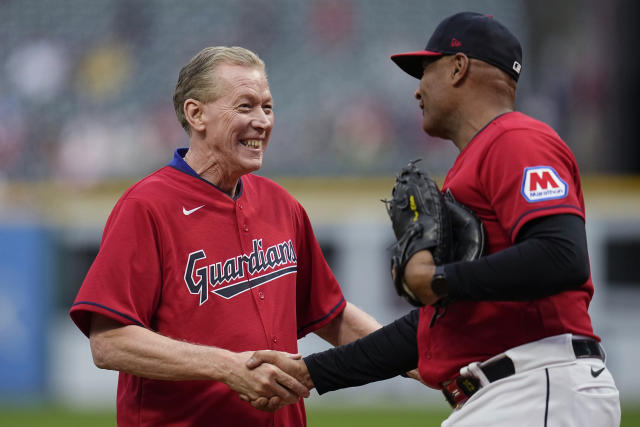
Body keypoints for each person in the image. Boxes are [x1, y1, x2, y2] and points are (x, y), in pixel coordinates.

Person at [246, 12, 622, 426]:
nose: (417, 90)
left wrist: (441, 278)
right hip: (509, 393)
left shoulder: (515, 139)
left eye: (425, 71)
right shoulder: (476, 160)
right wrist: (310, 373)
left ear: (459, 68)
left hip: (538, 386)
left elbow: (562, 255)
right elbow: (425, 328)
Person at [69, 46, 382, 427]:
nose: (262, 121)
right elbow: (109, 342)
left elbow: (333, 317)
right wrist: (228, 367)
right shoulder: (147, 206)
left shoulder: (281, 204)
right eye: (245, 106)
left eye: (267, 107)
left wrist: (421, 357)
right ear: (195, 114)